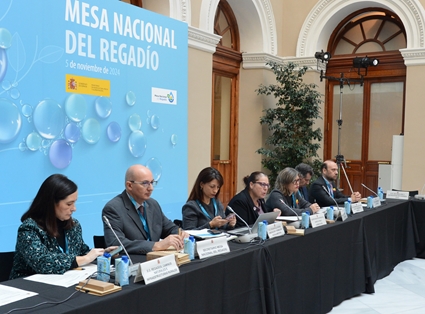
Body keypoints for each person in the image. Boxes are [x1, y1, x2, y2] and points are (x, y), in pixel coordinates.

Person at [10, 174, 110, 279]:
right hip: (29, 288)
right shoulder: (29, 229)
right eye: (69, 204)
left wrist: (101, 254)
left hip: (65, 282)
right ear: (51, 203)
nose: (74, 208)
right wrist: (85, 259)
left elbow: (81, 251)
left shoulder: (73, 226)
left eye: (74, 203)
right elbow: (43, 263)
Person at [102, 164, 188, 254]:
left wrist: (180, 234)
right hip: (133, 262)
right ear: (129, 186)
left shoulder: (153, 204)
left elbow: (169, 228)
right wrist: (155, 245)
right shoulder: (113, 208)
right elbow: (116, 244)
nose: (151, 188)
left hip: (157, 261)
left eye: (152, 182)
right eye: (145, 183)